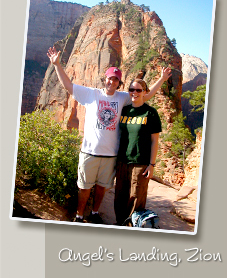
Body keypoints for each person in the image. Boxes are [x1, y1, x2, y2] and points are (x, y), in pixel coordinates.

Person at [47, 46, 171, 224]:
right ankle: (79, 215)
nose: (112, 82)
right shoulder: (91, 94)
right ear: (104, 79)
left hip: (110, 155)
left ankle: (95, 213)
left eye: (115, 80)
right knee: (84, 187)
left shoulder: (123, 97)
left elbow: (146, 94)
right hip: (89, 152)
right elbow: (68, 86)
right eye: (109, 78)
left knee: (101, 188)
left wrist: (161, 79)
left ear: (119, 83)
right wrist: (57, 65)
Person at [114, 78, 162, 226]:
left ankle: (132, 227)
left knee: (136, 198)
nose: (134, 93)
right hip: (122, 160)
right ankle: (120, 224)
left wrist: (152, 164)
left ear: (144, 92)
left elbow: (155, 141)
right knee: (120, 196)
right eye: (132, 89)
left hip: (140, 163)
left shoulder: (150, 113)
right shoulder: (125, 109)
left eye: (138, 90)